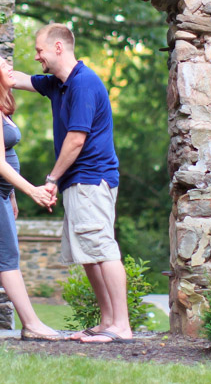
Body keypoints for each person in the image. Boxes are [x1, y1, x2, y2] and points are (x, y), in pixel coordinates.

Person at [13, 23, 134, 344]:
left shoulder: (83, 84)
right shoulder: (59, 85)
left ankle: (122, 326)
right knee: (88, 252)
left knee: (102, 247)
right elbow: (17, 79)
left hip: (92, 178)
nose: (35, 56)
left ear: (57, 48)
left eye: (39, 50)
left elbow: (76, 140)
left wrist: (52, 178)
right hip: (78, 182)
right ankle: (107, 321)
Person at [0, 50, 62, 341]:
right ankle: (31, 325)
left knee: (9, 257)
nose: (9, 67)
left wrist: (11, 196)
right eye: (2, 65)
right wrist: (31, 191)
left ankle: (32, 323)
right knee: (8, 260)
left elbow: (4, 154)